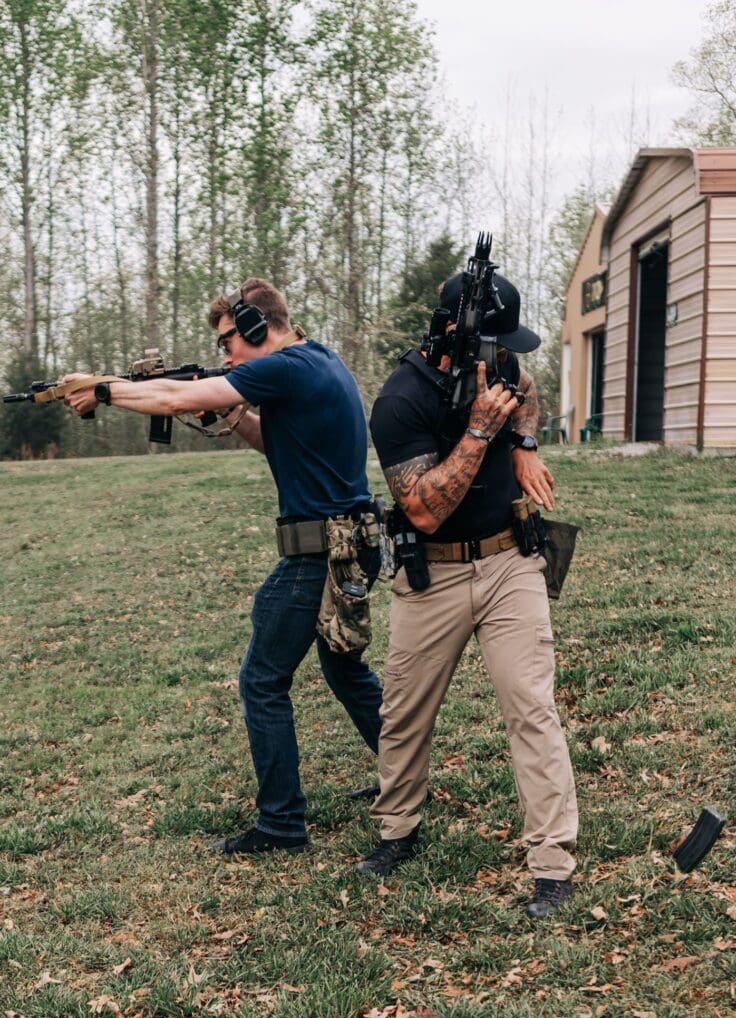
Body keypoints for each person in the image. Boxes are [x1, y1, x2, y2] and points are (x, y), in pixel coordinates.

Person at [64, 277, 383, 855]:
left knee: (262, 681)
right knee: (345, 671)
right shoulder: (320, 361)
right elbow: (284, 443)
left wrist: (103, 390)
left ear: (259, 327)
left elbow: (174, 399)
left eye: (229, 340)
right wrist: (236, 416)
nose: (225, 354)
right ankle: (406, 779)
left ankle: (282, 825)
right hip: (351, 545)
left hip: (318, 553)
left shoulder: (284, 368)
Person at [356, 271, 578, 919]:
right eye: (496, 342)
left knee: (531, 706)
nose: (507, 355)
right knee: (404, 711)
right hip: (434, 572)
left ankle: (552, 863)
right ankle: (398, 831)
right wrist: (481, 434)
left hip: (512, 561)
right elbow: (423, 510)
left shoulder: (501, 364)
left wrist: (527, 446)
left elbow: (528, 388)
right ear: (455, 336)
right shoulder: (399, 400)